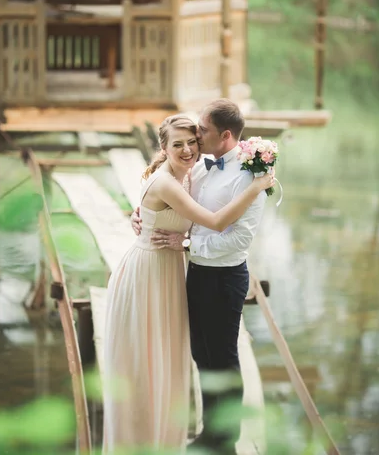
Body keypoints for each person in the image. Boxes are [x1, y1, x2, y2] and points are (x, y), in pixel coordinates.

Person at [103, 113, 274, 454]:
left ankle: (223, 439)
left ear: (213, 138)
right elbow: (209, 219)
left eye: (194, 140)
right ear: (163, 148)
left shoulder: (209, 172)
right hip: (153, 269)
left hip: (198, 270)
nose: (188, 148)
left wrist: (255, 184)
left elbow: (232, 233)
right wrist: (143, 217)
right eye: (178, 144)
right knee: (161, 355)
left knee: (211, 356)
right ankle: (145, 435)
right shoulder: (177, 176)